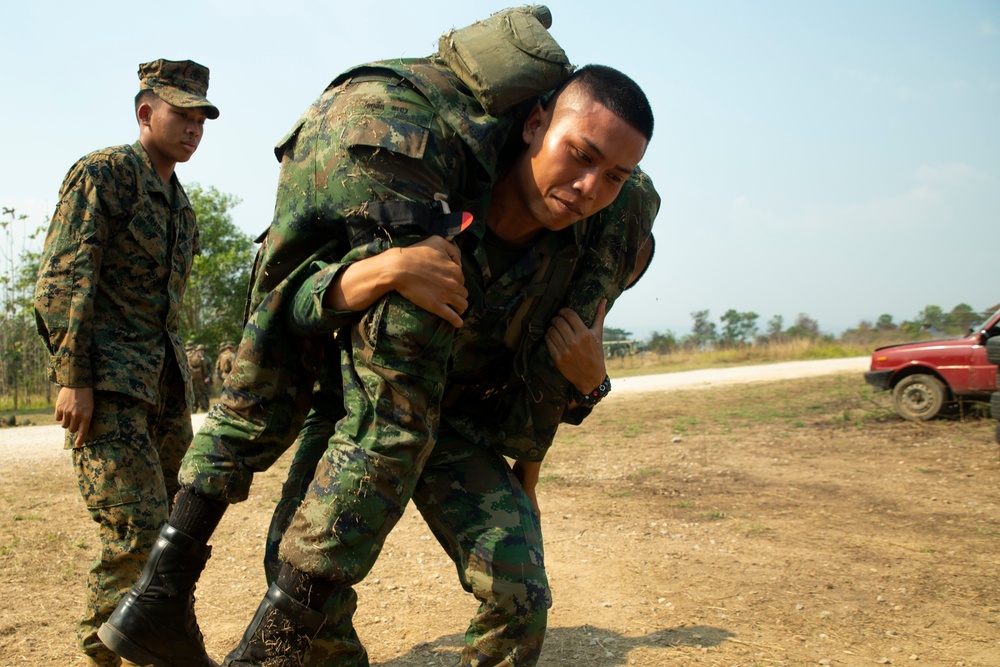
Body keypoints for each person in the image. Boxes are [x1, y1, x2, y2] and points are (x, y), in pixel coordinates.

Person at [100, 8, 655, 667]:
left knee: (520, 597)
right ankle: (252, 639)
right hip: (357, 410)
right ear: (535, 124)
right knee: (303, 565)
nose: (589, 187)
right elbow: (294, 310)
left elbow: (545, 379)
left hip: (455, 433)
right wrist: (381, 270)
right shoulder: (431, 197)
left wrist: (586, 389)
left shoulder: (589, 244)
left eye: (614, 177)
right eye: (580, 156)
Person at [33, 59, 218, 667]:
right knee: (136, 531)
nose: (193, 128)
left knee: (171, 540)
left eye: (200, 118)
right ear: (145, 113)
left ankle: (157, 645)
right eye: (181, 114)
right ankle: (99, 653)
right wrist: (72, 378)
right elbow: (63, 280)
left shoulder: (181, 207)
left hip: (164, 393)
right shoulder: (104, 175)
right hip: (108, 386)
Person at [187, 342, 213, 412]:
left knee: (205, 394)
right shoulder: (193, 358)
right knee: (196, 394)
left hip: (205, 378)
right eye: (199, 350)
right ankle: (196, 408)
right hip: (196, 379)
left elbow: (210, 370)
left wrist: (208, 377)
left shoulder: (207, 359)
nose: (201, 351)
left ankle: (205, 408)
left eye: (202, 350)